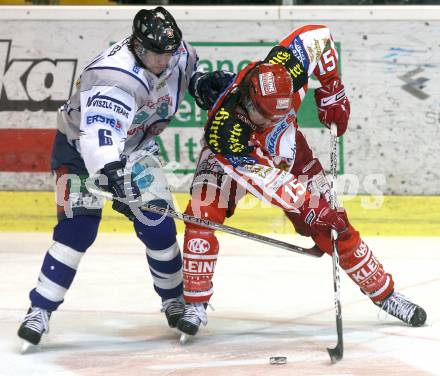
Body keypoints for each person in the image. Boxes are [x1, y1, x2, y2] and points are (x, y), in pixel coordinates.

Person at [176, 25, 427, 336]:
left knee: (334, 226)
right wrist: (307, 206)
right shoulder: (225, 129)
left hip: (289, 150)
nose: (265, 121)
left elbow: (317, 37)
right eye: (260, 114)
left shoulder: (286, 64)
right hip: (233, 162)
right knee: (201, 214)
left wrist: (331, 89)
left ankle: (385, 294)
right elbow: (265, 180)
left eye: (273, 116)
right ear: (247, 98)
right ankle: (195, 304)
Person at [17, 7, 234, 347]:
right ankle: (39, 310)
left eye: (168, 53)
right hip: (77, 152)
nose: (163, 60)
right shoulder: (114, 77)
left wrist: (199, 82)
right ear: (137, 46)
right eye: (154, 54)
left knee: (159, 226)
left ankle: (173, 300)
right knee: (78, 230)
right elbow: (97, 137)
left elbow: (187, 71)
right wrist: (112, 174)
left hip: (136, 149)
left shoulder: (176, 51)